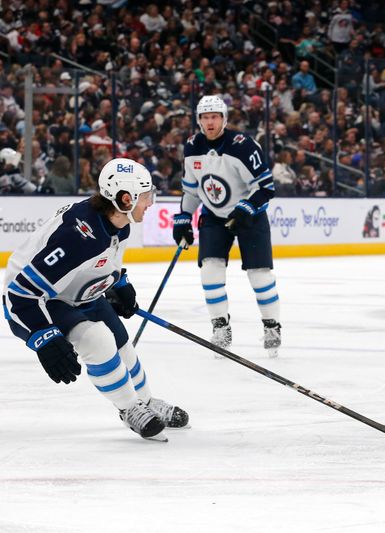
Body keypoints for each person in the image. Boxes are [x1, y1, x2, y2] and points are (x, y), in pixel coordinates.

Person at [2, 158, 188, 441]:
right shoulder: (78, 237)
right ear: (126, 199)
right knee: (98, 340)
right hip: (42, 302)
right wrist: (43, 336)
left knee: (123, 345)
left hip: (78, 291)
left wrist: (118, 282)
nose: (151, 202)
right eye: (146, 196)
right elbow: (19, 294)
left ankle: (146, 401)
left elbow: (105, 259)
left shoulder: (119, 222)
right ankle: (129, 409)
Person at [172, 95, 281, 357]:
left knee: (259, 275)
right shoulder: (192, 147)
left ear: (224, 119)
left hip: (249, 216)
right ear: (199, 121)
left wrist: (246, 209)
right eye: (205, 117)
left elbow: (266, 188)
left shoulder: (243, 146)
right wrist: (184, 217)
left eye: (215, 117)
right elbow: (192, 190)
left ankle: (272, 327)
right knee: (210, 270)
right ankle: (221, 327)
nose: (210, 122)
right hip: (214, 215)